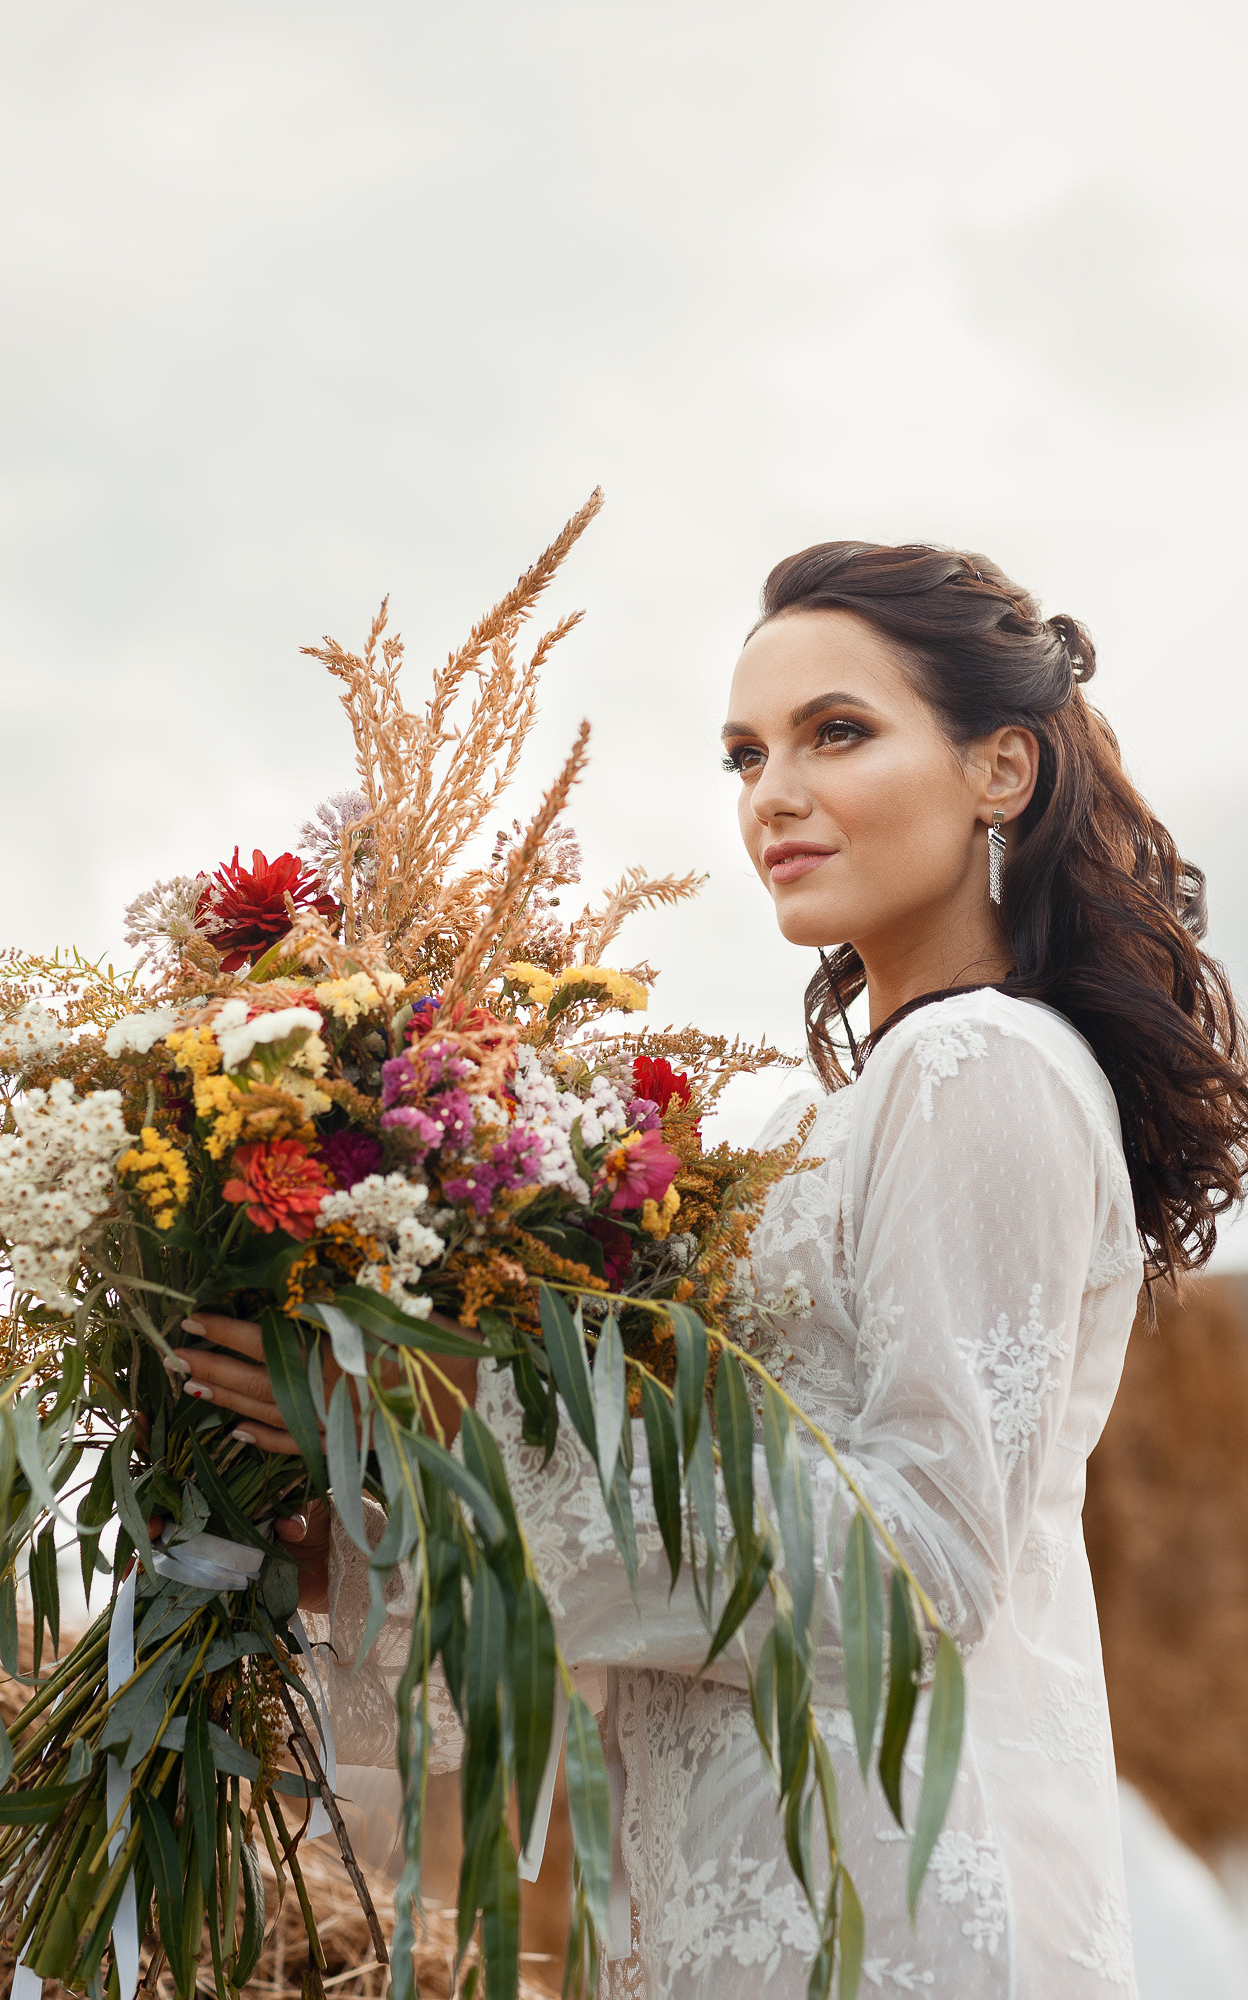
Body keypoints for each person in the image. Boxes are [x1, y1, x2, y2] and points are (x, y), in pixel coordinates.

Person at [170, 544, 1248, 1997]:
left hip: (891, 1895)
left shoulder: (976, 1062)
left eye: (837, 732)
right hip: (757, 1863)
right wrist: (364, 1534)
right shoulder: (825, 1115)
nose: (771, 796)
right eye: (745, 754)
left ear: (1002, 769)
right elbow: (703, 1520)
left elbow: (921, 1561)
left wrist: (439, 1435)